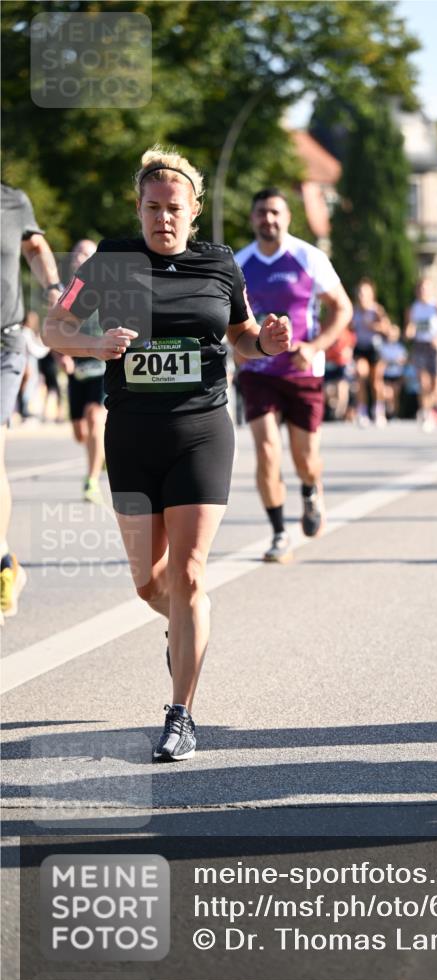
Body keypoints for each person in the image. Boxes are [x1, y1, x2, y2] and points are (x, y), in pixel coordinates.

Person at [44, 147, 291, 761]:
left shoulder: (220, 262)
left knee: (188, 575)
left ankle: (181, 712)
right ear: (139, 208)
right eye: (152, 208)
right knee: (148, 582)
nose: (163, 219)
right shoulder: (108, 262)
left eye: (174, 208)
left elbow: (241, 335)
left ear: (194, 210)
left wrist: (266, 340)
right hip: (130, 436)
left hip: (201, 431)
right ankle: (183, 627)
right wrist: (94, 343)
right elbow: (53, 329)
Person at [235, 187, 352, 564]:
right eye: (261, 213)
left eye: (274, 213)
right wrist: (238, 350)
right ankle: (279, 532)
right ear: (252, 218)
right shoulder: (239, 264)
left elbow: (343, 309)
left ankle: (311, 487)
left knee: (305, 458)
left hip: (303, 371)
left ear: (286, 218)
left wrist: (316, 347)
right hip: (258, 371)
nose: (268, 219)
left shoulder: (309, 257)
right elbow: (228, 319)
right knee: (267, 450)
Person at [1, 182, 63, 622]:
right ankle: (6, 562)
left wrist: (54, 289)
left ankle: (1, 564)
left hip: (4, 345)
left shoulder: (13, 201)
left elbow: (37, 248)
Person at [59, 239, 108, 502]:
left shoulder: (107, 289)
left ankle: (91, 481)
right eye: (77, 254)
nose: (81, 258)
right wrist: (61, 356)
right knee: (80, 431)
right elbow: (55, 329)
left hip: (101, 365)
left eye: (87, 254)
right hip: (76, 368)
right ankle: (101, 451)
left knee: (94, 416)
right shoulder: (67, 292)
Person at [405, 277, 437, 432]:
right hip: (420, 346)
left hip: (435, 346)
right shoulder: (413, 308)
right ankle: (427, 413)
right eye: (420, 289)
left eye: (426, 289)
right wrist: (409, 331)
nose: (423, 292)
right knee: (423, 382)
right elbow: (409, 328)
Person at [350, 278, 391, 426]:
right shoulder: (354, 310)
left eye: (365, 293)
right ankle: (362, 411)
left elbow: (387, 329)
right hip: (361, 347)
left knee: (375, 382)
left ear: (371, 294)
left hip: (375, 348)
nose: (361, 296)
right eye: (359, 292)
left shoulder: (376, 310)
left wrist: (374, 326)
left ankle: (378, 410)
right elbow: (348, 329)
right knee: (361, 375)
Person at [381, 324, 408, 420]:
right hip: (386, 375)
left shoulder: (400, 347)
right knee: (387, 394)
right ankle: (386, 412)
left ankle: (394, 414)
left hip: (397, 374)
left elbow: (404, 360)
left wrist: (399, 361)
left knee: (395, 396)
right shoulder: (383, 346)